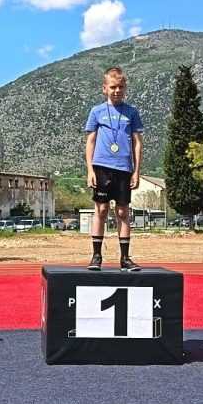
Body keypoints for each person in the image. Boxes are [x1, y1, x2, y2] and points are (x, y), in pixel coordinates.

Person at [84, 66, 144, 271]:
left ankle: (125, 258)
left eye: (120, 87)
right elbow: (90, 141)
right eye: (113, 87)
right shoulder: (96, 111)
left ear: (125, 88)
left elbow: (137, 143)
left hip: (124, 168)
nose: (117, 90)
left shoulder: (132, 112)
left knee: (122, 211)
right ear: (105, 88)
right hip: (101, 166)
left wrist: (136, 171)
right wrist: (90, 170)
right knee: (101, 209)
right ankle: (96, 256)